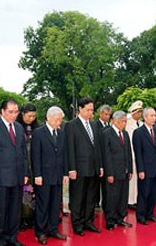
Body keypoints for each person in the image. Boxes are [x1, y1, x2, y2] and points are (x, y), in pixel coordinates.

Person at [65, 97, 103, 236]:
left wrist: (100, 166)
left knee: (91, 197)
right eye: (88, 110)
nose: (90, 113)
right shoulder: (71, 125)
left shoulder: (94, 125)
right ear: (80, 109)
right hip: (79, 169)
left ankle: (88, 222)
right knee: (77, 198)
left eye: (92, 110)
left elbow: (97, 147)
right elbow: (70, 149)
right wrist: (71, 168)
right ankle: (77, 224)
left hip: (93, 168)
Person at [31, 106, 68, 244]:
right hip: (44, 176)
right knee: (43, 205)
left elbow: (64, 154)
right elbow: (35, 156)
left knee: (55, 205)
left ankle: (53, 229)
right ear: (49, 118)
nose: (59, 122)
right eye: (57, 120)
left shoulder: (61, 133)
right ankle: (40, 232)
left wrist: (65, 173)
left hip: (58, 175)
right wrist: (37, 175)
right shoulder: (38, 133)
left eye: (60, 120)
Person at [0, 99, 29, 246]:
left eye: (16, 112)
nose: (14, 115)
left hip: (18, 176)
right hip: (1, 177)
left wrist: (26, 173)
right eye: (10, 112)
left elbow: (23, 152)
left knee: (15, 209)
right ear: (2, 111)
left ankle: (13, 237)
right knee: (1, 209)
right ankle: (1, 239)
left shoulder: (20, 128)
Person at [101, 111, 133, 231]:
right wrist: (109, 173)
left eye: (125, 121)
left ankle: (120, 218)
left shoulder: (125, 134)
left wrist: (130, 169)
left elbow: (128, 152)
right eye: (122, 121)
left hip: (124, 171)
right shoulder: (107, 133)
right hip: (113, 172)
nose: (124, 124)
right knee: (112, 197)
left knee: (123, 196)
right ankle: (110, 220)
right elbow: (106, 155)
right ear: (115, 120)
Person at [133, 108, 156, 225]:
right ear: (145, 117)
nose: (154, 118)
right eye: (151, 115)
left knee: (154, 193)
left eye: (154, 115)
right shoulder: (138, 132)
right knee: (144, 193)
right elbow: (138, 152)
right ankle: (141, 215)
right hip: (145, 169)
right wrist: (140, 169)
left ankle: (150, 214)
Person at [16, 104, 39, 230]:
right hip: (23, 166)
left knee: (33, 194)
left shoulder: (37, 128)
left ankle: (30, 218)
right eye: (29, 116)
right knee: (21, 195)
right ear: (22, 114)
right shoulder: (17, 128)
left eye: (34, 116)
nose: (31, 118)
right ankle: (20, 219)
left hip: (34, 166)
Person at [126, 100, 143, 210]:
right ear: (133, 112)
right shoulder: (127, 122)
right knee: (131, 179)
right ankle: (129, 200)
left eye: (141, 112)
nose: (140, 114)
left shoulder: (141, 124)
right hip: (131, 154)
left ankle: (135, 199)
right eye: (138, 112)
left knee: (137, 179)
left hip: (139, 155)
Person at [94, 104, 111, 209]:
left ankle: (106, 203)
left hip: (107, 158)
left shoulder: (109, 126)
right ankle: (95, 201)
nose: (107, 116)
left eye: (109, 114)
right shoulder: (95, 125)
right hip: (98, 157)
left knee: (106, 184)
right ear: (100, 114)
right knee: (96, 183)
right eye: (106, 114)